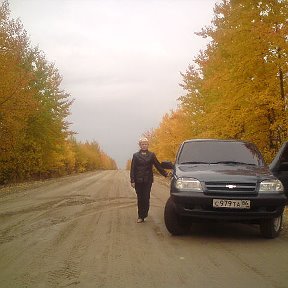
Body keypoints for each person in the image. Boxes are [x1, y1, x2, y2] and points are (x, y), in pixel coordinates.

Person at [130, 137, 169, 223]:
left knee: (146, 197)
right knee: (140, 198)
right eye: (142, 144)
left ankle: (145, 213)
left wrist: (165, 174)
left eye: (146, 144)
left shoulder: (151, 155)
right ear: (140, 145)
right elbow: (133, 168)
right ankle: (140, 216)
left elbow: (158, 165)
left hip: (148, 180)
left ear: (148, 145)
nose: (144, 145)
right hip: (138, 180)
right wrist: (132, 180)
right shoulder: (135, 155)